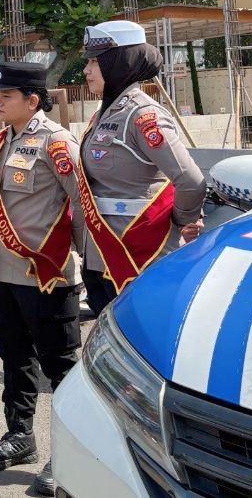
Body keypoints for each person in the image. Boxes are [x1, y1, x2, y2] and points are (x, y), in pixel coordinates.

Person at [0, 61, 85, 494]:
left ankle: (68, 453)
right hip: (4, 274)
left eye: (6, 95)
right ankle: (20, 435)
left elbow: (82, 208)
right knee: (14, 360)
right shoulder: (3, 140)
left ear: (32, 101)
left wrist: (74, 259)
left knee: (61, 370)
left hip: (47, 276)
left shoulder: (57, 143)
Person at [79, 20, 206, 316]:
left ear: (118, 62)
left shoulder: (142, 115)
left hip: (139, 253)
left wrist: (183, 220)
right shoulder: (105, 113)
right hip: (103, 253)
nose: (86, 70)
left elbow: (190, 180)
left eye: (95, 62)